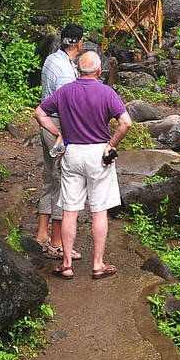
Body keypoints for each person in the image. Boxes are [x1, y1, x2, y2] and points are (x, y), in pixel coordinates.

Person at [34, 49, 132, 280]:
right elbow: (126, 122)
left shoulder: (65, 91)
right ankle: (97, 264)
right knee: (99, 211)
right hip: (99, 154)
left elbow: (39, 112)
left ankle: (66, 264)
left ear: (78, 70)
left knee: (70, 211)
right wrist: (111, 144)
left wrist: (57, 133)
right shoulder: (107, 92)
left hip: (72, 152)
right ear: (99, 71)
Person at [34, 23, 85, 260]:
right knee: (62, 181)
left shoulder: (53, 59)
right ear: (78, 43)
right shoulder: (65, 71)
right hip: (57, 128)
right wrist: (67, 135)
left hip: (47, 125)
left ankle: (42, 234)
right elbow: (67, 106)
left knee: (49, 177)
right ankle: (56, 243)